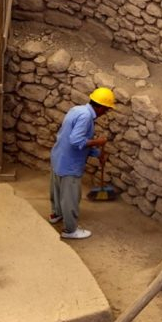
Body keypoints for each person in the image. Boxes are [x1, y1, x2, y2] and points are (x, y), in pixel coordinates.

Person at [49, 87, 115, 239]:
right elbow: (76, 141)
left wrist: (97, 153)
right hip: (70, 164)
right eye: (106, 110)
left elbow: (72, 139)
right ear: (101, 107)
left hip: (59, 157)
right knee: (70, 197)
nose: (106, 113)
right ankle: (70, 230)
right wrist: (98, 142)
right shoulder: (86, 118)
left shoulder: (77, 110)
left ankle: (56, 214)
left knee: (58, 190)